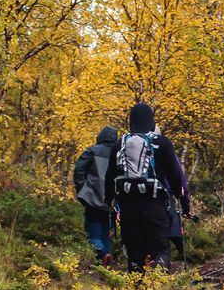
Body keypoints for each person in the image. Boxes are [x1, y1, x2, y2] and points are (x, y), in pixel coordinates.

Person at [113, 101, 188, 271]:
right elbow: (175, 174)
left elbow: (111, 176)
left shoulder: (119, 145)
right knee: (159, 249)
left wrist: (112, 202)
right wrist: (178, 193)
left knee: (134, 252)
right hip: (155, 205)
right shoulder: (162, 143)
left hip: (128, 207)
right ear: (151, 120)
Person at [72, 124, 120, 265]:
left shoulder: (91, 151)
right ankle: (107, 267)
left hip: (93, 200)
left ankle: (104, 255)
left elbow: (78, 172)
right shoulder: (119, 155)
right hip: (112, 203)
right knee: (106, 235)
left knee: (93, 236)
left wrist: (84, 192)